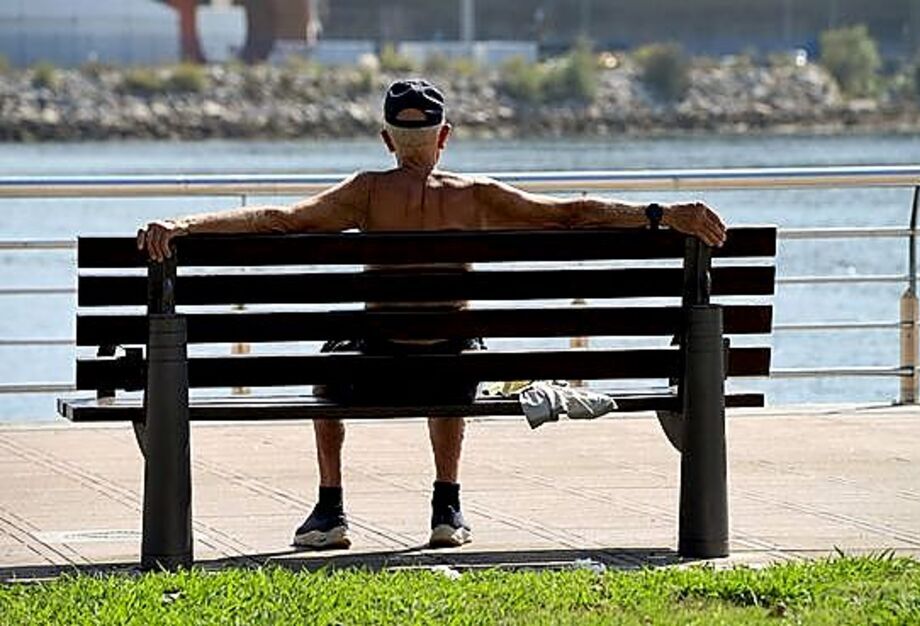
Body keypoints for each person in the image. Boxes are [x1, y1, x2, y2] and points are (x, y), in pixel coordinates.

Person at [137, 78, 727, 551]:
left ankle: (329, 509)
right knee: (458, 343)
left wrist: (186, 225)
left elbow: (279, 221)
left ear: (387, 139)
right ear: (444, 138)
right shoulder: (476, 195)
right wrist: (658, 213)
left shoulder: (365, 193)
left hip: (372, 371)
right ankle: (447, 505)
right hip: (453, 375)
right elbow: (571, 214)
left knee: (326, 357)